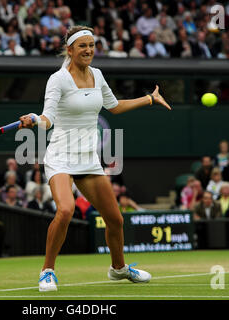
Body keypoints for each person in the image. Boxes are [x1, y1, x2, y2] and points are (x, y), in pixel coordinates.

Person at [18, 25, 171, 291]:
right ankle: (47, 271)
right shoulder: (58, 79)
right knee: (65, 210)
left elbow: (114, 106)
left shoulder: (98, 75)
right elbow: (48, 119)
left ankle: (118, 268)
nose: (88, 50)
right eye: (82, 46)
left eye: (91, 45)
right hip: (61, 157)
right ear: (70, 50)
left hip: (88, 159)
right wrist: (34, 119)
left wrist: (149, 99)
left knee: (116, 219)